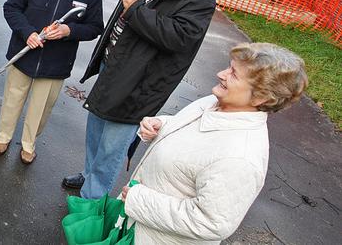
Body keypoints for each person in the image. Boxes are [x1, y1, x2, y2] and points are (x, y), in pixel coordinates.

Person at [62, 0, 216, 198]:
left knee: (113, 142)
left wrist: (135, 8)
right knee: (96, 127)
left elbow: (180, 37)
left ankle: (91, 201)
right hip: (114, 62)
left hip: (141, 79)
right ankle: (89, 175)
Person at [120, 43, 308, 244]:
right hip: (135, 228)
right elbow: (197, 139)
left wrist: (137, 199)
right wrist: (162, 125)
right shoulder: (215, 102)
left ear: (260, 97)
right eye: (229, 67)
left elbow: (210, 222)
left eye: (234, 74)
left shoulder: (240, 158)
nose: (221, 74)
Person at [0, 0, 104, 164]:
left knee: (41, 108)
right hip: (23, 56)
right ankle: (3, 137)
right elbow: (11, 8)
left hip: (56, 64)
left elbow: (95, 27)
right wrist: (27, 33)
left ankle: (28, 144)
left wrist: (69, 31)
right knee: (12, 99)